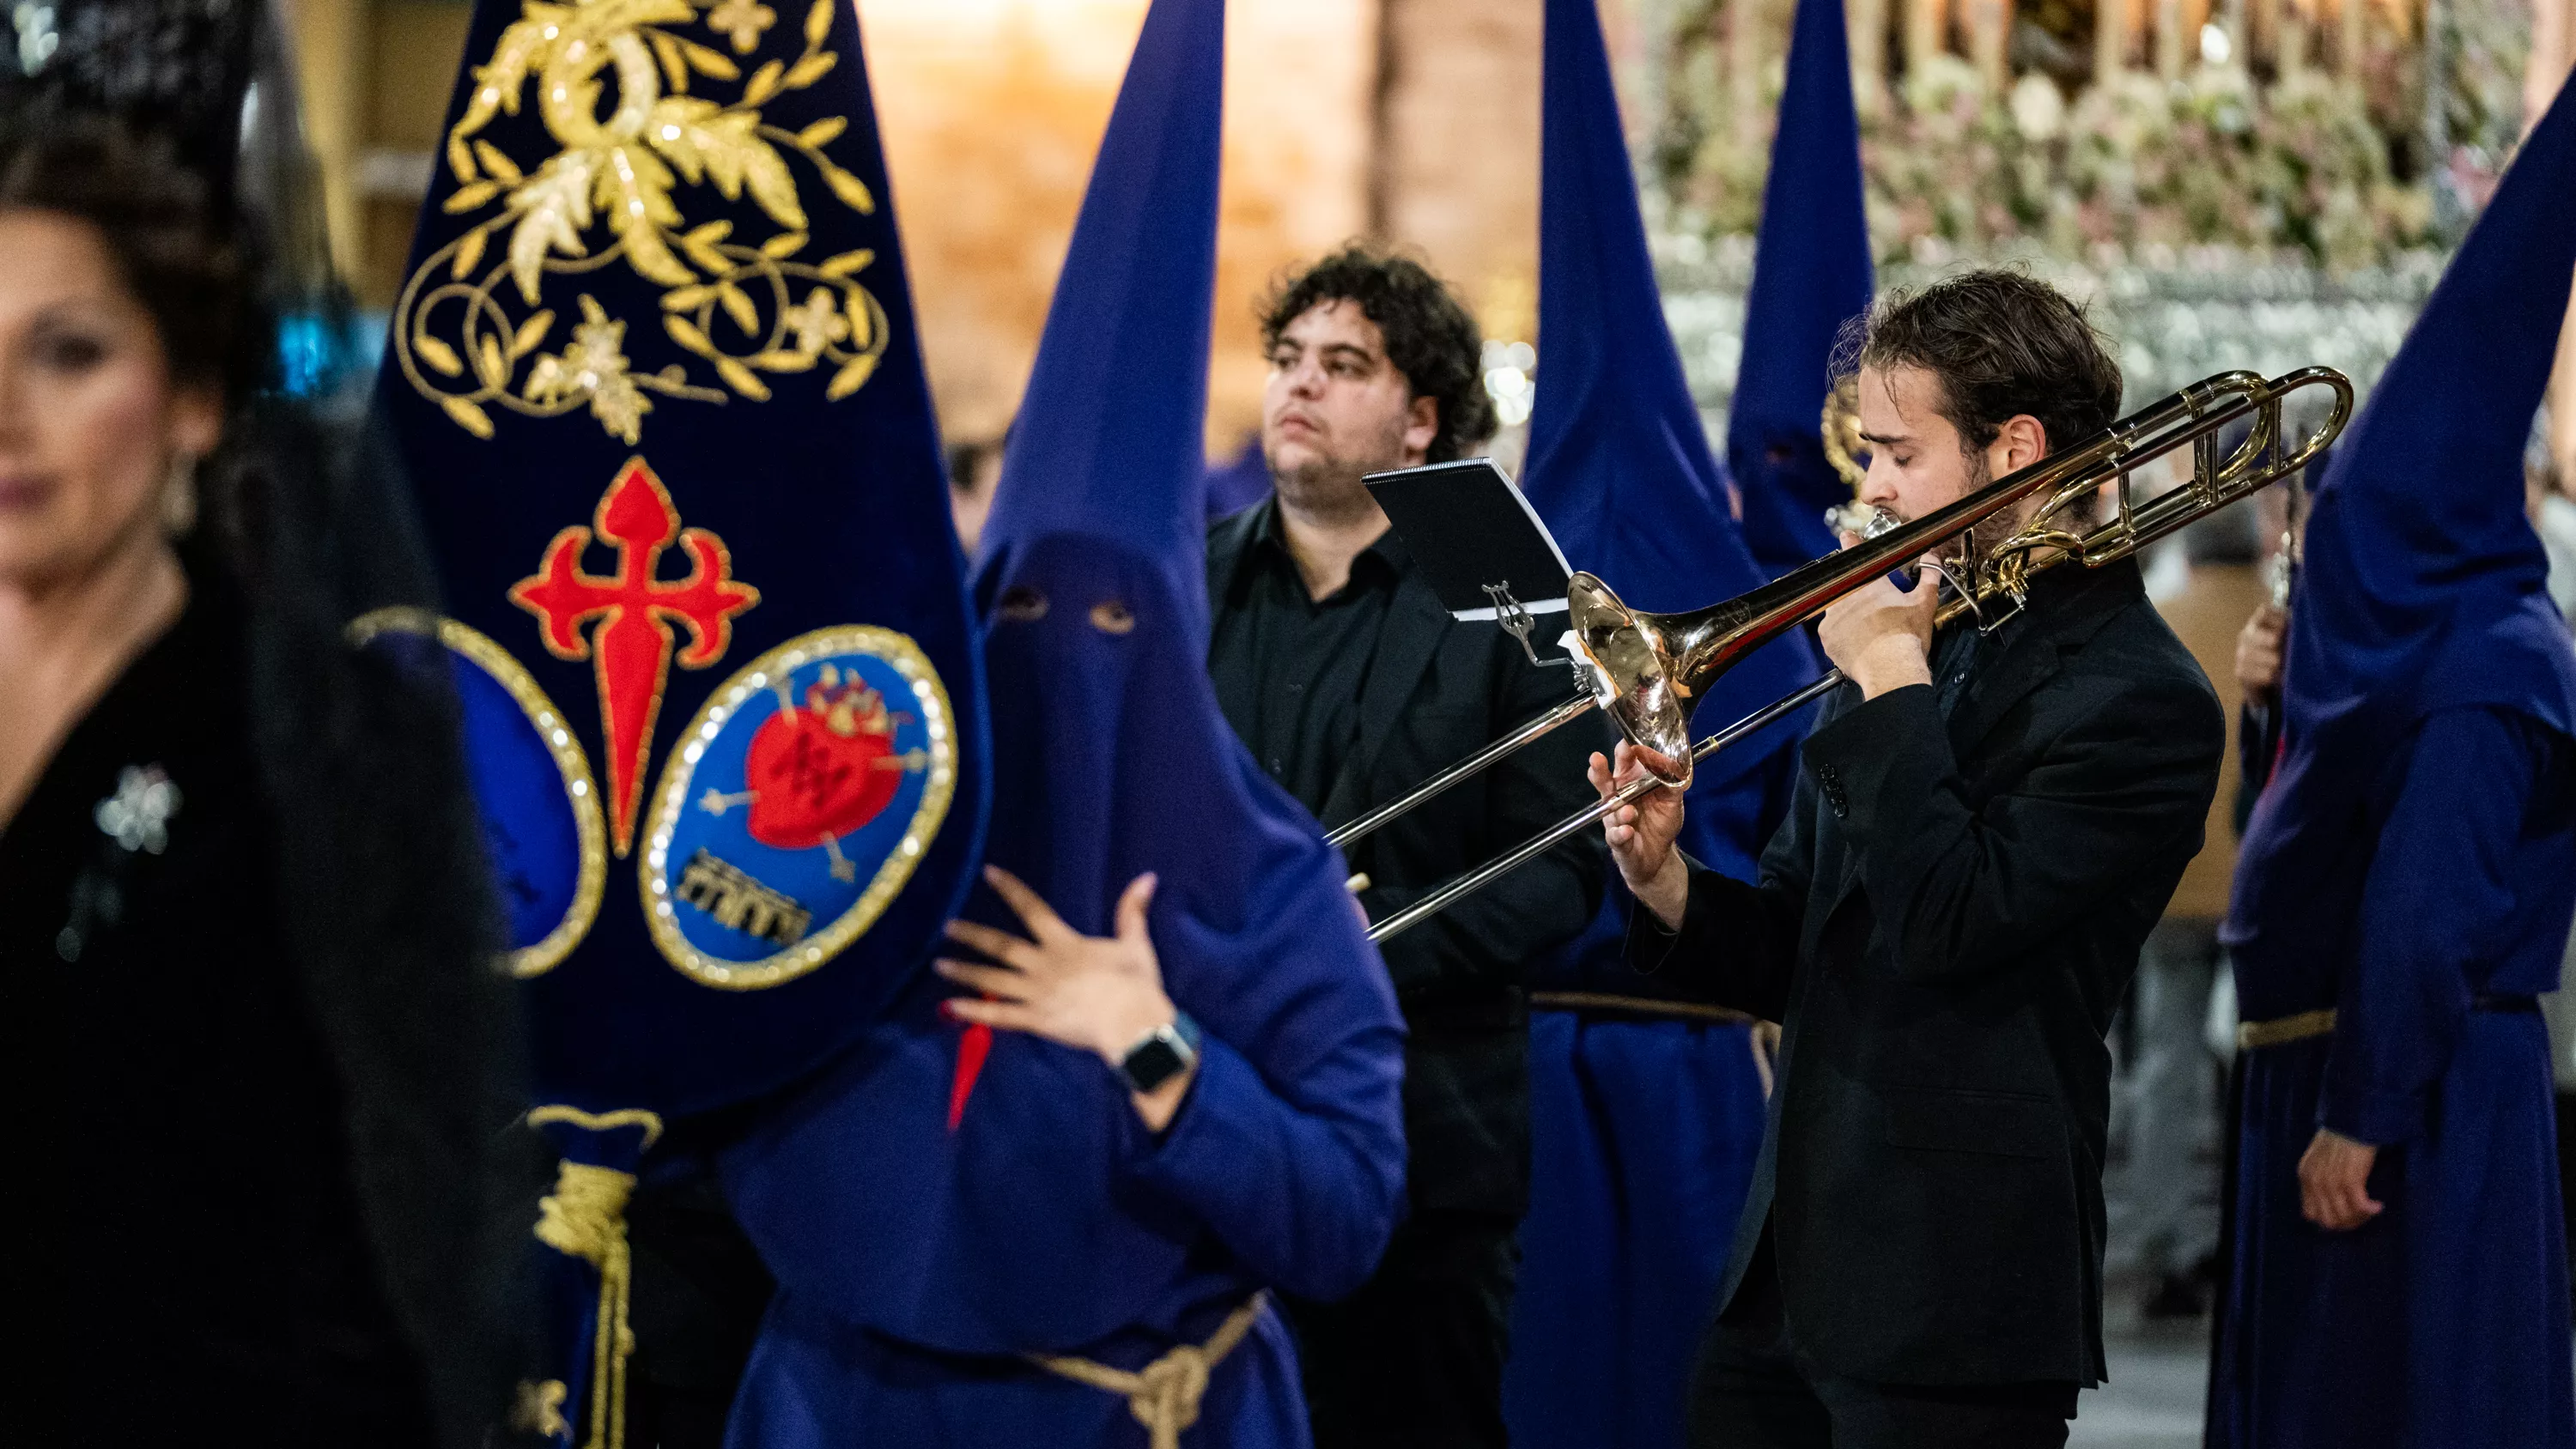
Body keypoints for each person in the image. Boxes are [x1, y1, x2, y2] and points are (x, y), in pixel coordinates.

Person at [718, 3, 1408, 1443]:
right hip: (832, 1408)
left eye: (1114, 637)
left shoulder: (1263, 884)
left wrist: (1151, 1038)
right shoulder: (864, 832)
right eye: (1021, 624)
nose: (1064, 673)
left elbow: (1345, 1220)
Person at [1593, 270, 2225, 1449]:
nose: (1870, 489)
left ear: (2016, 450)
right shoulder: (1914, 640)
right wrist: (1664, 880)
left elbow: (1950, 921)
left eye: (1896, 453)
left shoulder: (2142, 699)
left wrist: (1889, 680)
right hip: (1788, 1269)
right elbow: (1800, 942)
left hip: (1958, 1288)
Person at [0, 95, 527, 1449]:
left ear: (189, 397)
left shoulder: (324, 745)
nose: (3, 413)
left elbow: (414, 1231)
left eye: (65, 353)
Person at [2208, 75, 2576, 1449]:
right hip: (2339, 1066)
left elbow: (2426, 909)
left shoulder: (2488, 666)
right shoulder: (2420, 645)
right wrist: (2276, 718)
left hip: (2415, 1103)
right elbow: (2322, 842)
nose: (2326, 553)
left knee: (2403, 1399)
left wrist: (2361, 1113)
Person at [1206, 246, 1609, 1449]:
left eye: (1343, 366)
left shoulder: (1511, 595)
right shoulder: (1186, 576)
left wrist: (1341, 961)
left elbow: (1559, 867)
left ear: (1421, 416)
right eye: (1288, 361)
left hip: (1425, 1130)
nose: (1301, 388)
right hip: (1205, 1111)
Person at [2104, 512, 2269, 1319]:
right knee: (2257, 1067)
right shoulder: (2278, 636)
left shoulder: (2158, 627)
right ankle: (2248, 1237)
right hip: (2260, 892)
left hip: (2170, 891)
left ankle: (2162, 1241)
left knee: (2164, 1070)